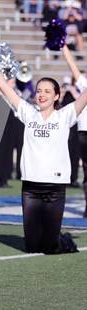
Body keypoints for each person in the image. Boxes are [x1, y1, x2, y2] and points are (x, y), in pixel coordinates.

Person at [0, 58, 87, 254]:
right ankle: (53, 238)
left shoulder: (65, 115)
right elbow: (2, 86)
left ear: (57, 96)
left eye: (47, 91)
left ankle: (63, 241)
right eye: (39, 91)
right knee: (32, 247)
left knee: (50, 248)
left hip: (55, 189)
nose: (41, 95)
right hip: (30, 189)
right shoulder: (27, 112)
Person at [62, 45, 87, 216]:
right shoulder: (84, 84)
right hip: (84, 133)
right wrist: (63, 47)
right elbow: (74, 69)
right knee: (86, 172)